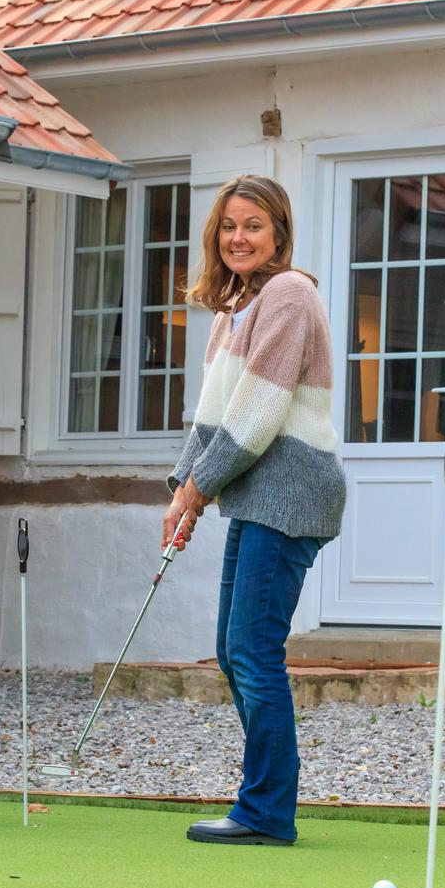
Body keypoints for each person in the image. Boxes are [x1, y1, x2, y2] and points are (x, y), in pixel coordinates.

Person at [164, 175, 346, 847]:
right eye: (229, 225)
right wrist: (181, 487)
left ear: (279, 234)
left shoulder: (291, 295)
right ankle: (268, 796)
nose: (238, 237)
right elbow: (214, 415)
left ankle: (266, 809)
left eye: (253, 225)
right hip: (256, 492)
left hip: (292, 489)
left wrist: (200, 491)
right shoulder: (233, 308)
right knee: (231, 647)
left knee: (251, 647)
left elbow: (261, 412)